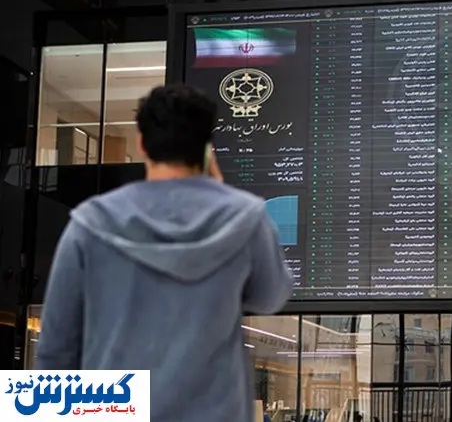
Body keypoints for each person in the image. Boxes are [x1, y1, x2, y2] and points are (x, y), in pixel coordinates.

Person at [34, 84, 294, 422]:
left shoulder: (90, 223)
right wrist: (220, 196)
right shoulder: (246, 218)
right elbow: (270, 297)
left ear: (142, 143)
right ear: (207, 148)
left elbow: (56, 349)